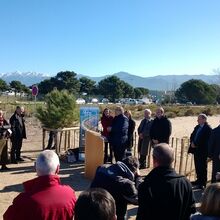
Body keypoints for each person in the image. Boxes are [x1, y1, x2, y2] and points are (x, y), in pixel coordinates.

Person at [3, 150, 77, 220]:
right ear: (58, 169)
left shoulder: (23, 200)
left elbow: (8, 217)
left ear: (35, 167)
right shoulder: (70, 194)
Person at [137, 143, 195, 220]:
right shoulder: (185, 183)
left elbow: (142, 215)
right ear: (173, 160)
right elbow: (191, 211)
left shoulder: (147, 186)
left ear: (154, 160)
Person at [91, 156, 142, 220]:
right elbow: (139, 199)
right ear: (134, 171)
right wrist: (138, 177)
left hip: (93, 207)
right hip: (113, 214)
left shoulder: (102, 168)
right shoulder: (127, 184)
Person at [188, 113, 212, 189]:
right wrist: (192, 142)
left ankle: (203, 183)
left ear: (204, 120)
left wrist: (196, 144)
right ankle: (198, 180)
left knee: (202, 167)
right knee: (197, 166)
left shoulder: (208, 128)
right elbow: (192, 135)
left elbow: (206, 141)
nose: (197, 120)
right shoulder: (197, 127)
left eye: (199, 119)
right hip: (196, 150)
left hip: (202, 151)